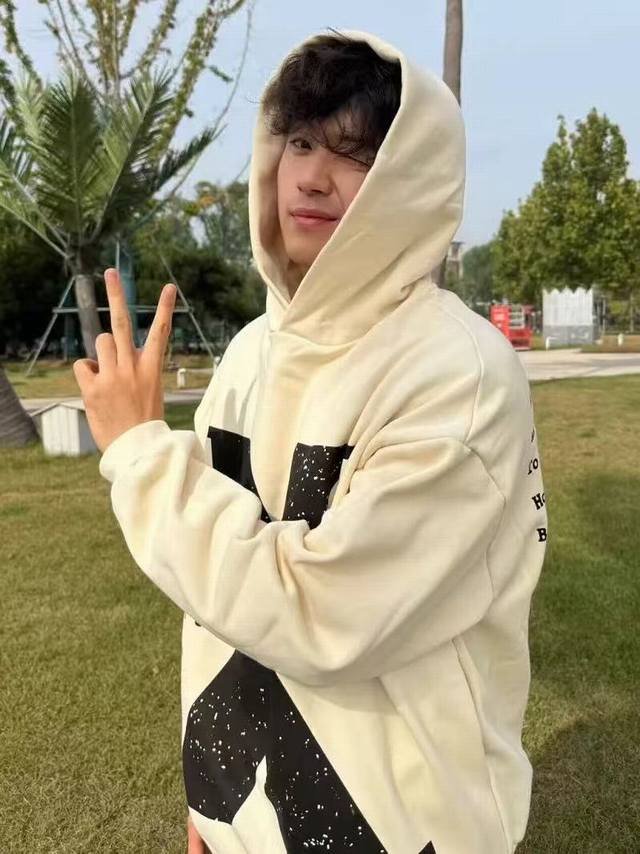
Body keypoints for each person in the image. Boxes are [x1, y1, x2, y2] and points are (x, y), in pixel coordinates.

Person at [91, 28, 548, 854]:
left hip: (408, 828)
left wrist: (140, 455)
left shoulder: (459, 373)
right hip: (253, 815)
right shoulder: (251, 351)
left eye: (355, 154)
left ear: (410, 180)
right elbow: (217, 602)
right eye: (299, 142)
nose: (310, 175)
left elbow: (321, 612)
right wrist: (217, 799)